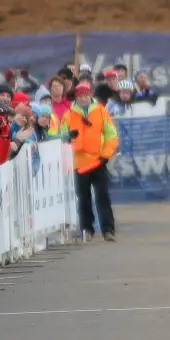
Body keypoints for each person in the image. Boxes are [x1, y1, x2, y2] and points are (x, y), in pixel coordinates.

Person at [65, 83, 119, 242]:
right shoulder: (69, 114)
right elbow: (60, 136)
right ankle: (86, 229)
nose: (83, 98)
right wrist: (67, 136)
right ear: (76, 97)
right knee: (83, 198)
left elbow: (111, 135)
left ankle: (108, 230)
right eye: (80, 96)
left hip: (98, 161)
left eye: (86, 95)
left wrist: (106, 155)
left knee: (103, 196)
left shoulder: (101, 111)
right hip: (79, 163)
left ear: (90, 95)